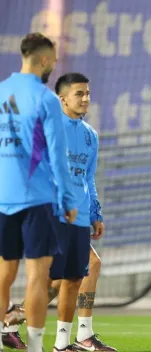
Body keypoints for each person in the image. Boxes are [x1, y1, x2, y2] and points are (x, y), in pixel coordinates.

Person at [3, 73, 116, 352]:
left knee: (71, 278)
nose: (86, 98)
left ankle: (55, 340)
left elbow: (88, 178)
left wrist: (95, 213)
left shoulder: (90, 135)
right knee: (52, 280)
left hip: (79, 217)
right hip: (53, 213)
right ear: (62, 98)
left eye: (88, 93)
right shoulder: (50, 127)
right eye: (79, 93)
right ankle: (20, 325)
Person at [0, 32, 78, 352]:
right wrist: (69, 199)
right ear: (44, 60)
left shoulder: (1, 91)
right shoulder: (46, 99)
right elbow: (58, 157)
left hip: (3, 198)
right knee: (37, 275)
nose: (54, 66)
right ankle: (34, 347)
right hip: (37, 199)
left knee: (3, 274)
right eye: (54, 60)